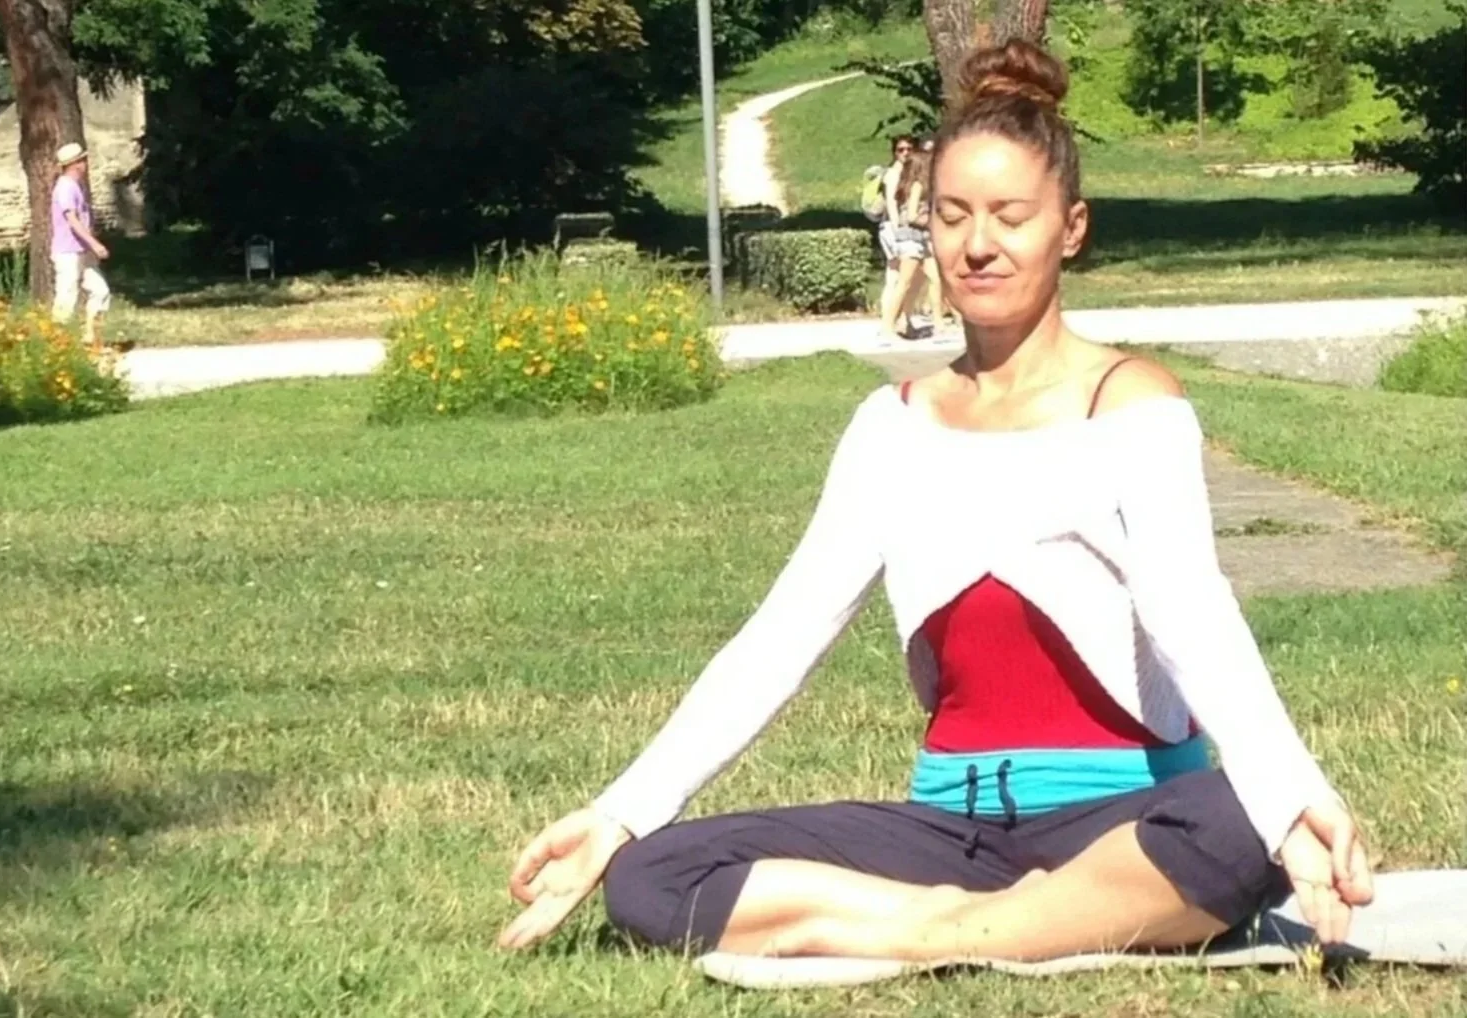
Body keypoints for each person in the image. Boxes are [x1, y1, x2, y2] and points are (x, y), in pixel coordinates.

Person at [497, 39, 1374, 964]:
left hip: (1125, 818)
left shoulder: (1132, 407)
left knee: (1236, 823)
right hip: (945, 833)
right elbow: (781, 637)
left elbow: (1191, 612)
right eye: (952, 216)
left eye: (1010, 215)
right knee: (651, 877)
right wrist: (620, 812)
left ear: (1070, 227)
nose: (978, 244)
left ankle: (932, 930)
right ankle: (988, 926)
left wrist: (1286, 790)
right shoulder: (892, 429)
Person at [50, 142, 112, 346]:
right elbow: (72, 220)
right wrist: (95, 244)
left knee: (100, 291)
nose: (86, 163)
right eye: (83, 159)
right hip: (67, 252)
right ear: (76, 164)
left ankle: (91, 337)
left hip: (80, 250)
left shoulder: (75, 186)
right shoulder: (66, 187)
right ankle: (57, 345)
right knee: (66, 297)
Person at [881, 147, 934, 340]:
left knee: (918, 283)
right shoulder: (917, 186)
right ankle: (887, 326)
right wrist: (930, 222)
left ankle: (906, 321)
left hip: (919, 238)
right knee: (904, 283)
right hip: (911, 237)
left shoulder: (919, 186)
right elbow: (911, 216)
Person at [876, 135, 914, 333]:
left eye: (909, 149)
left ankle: (900, 321)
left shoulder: (909, 173)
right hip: (892, 226)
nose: (905, 153)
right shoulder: (892, 174)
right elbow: (891, 201)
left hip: (898, 227)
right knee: (896, 276)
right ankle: (891, 322)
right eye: (901, 149)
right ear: (894, 152)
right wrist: (897, 227)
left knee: (898, 275)